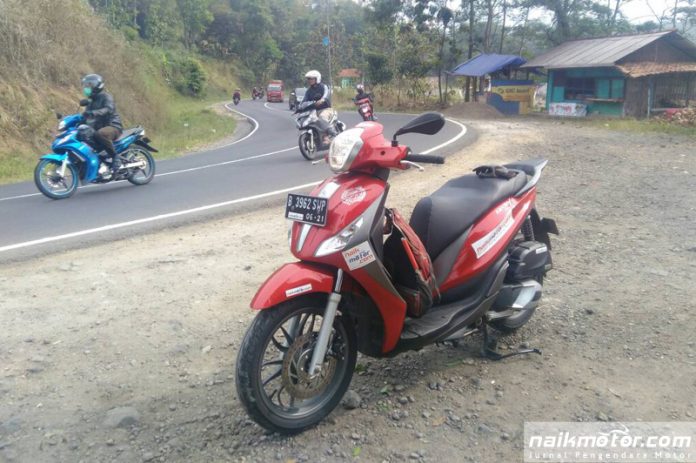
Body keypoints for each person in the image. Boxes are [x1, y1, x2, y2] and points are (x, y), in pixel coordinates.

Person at [81, 74, 123, 174]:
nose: (87, 88)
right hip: (99, 128)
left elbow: (108, 109)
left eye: (89, 85)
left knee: (100, 134)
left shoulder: (106, 97)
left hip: (113, 126)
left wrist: (94, 113)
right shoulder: (90, 102)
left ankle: (115, 157)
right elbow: (86, 117)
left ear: (97, 86)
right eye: (86, 86)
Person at [301, 70, 336, 141]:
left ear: (317, 78)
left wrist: (322, 100)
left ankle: (332, 132)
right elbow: (304, 101)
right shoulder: (308, 91)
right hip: (314, 111)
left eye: (311, 78)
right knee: (309, 120)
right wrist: (300, 106)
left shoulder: (323, 87)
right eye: (308, 79)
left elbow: (326, 94)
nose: (309, 80)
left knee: (322, 117)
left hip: (326, 109)